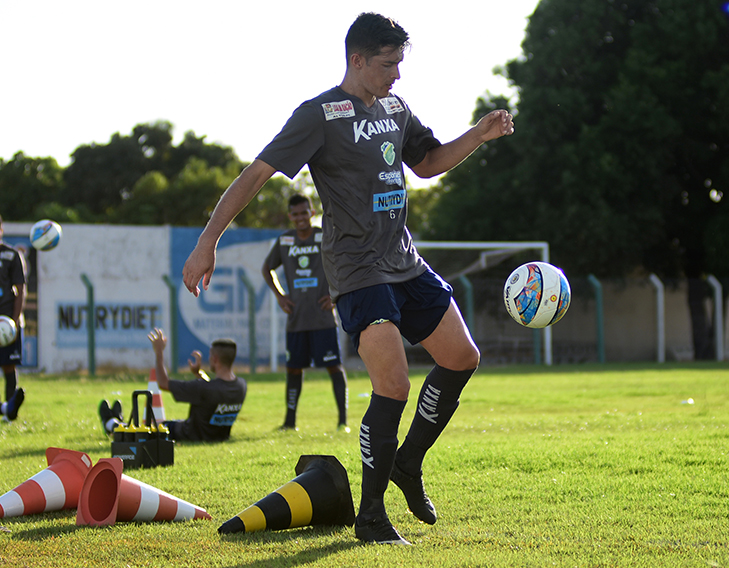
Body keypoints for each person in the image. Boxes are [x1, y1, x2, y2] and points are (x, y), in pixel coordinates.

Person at [182, 12, 514, 545]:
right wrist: (207, 241)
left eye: (400, 64)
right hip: (357, 270)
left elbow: (426, 163)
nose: (397, 76)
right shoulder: (319, 115)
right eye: (388, 64)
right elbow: (256, 174)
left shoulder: (396, 108)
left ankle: (408, 463)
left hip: (404, 261)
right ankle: (372, 516)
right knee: (394, 384)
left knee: (462, 357)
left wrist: (478, 134)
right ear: (356, 59)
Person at [261, 193, 349, 432]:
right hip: (297, 318)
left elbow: (344, 262)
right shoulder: (285, 241)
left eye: (304, 212)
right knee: (293, 368)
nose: (300, 218)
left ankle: (343, 421)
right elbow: (267, 269)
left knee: (334, 366)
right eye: (295, 214)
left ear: (312, 212)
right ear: (290, 216)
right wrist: (280, 296)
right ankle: (290, 422)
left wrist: (335, 294)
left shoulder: (324, 236)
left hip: (322, 318)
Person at [99, 329, 247, 442]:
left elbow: (163, 383)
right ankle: (118, 420)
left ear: (214, 359)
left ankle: (111, 423)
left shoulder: (202, 389)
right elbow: (214, 391)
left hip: (184, 434)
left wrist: (159, 353)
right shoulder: (241, 386)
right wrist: (199, 374)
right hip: (216, 435)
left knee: (141, 432)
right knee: (151, 425)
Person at [0, 214, 26, 421]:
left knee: (9, 365)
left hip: (7, 322)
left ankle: (9, 413)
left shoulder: (11, 255)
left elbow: (20, 289)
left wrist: (15, 321)